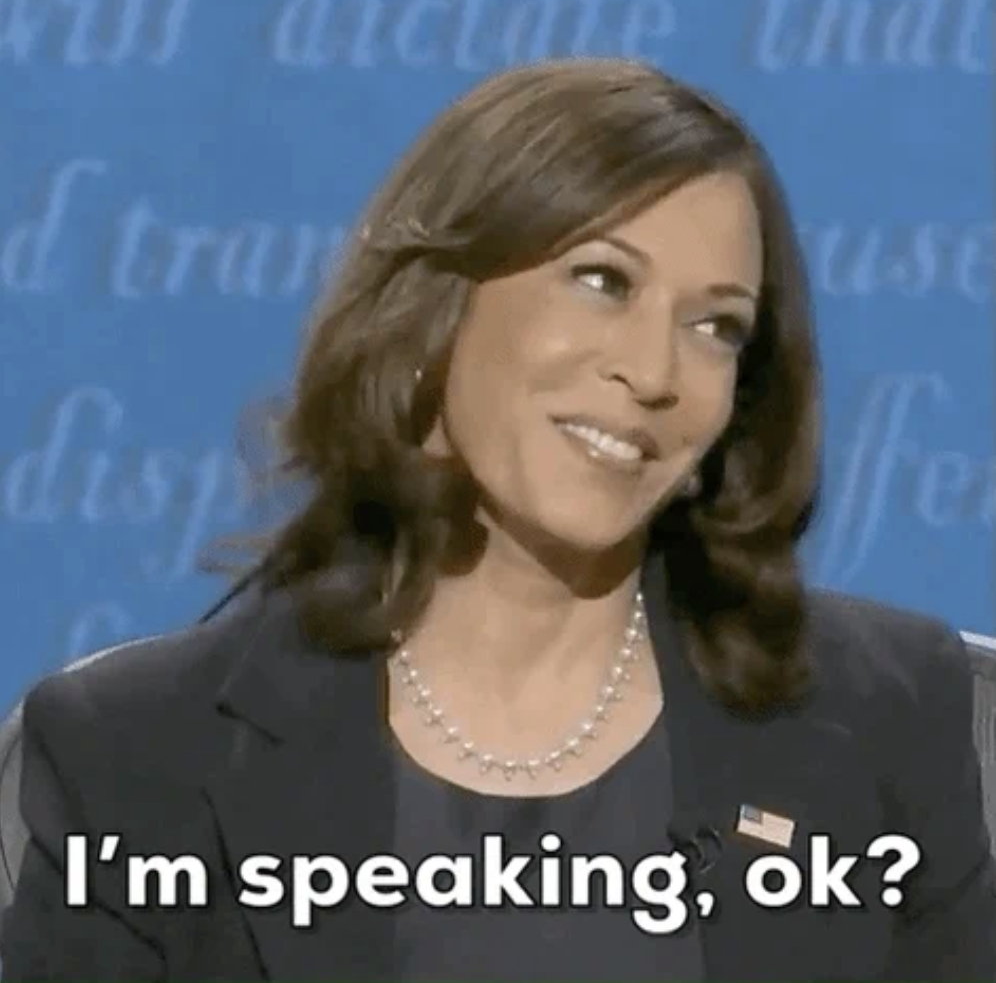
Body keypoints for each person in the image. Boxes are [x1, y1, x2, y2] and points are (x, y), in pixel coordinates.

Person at [2, 58, 993, 982]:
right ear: (438, 307)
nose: (654, 374)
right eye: (603, 281)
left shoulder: (885, 715)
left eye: (716, 326)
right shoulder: (137, 757)